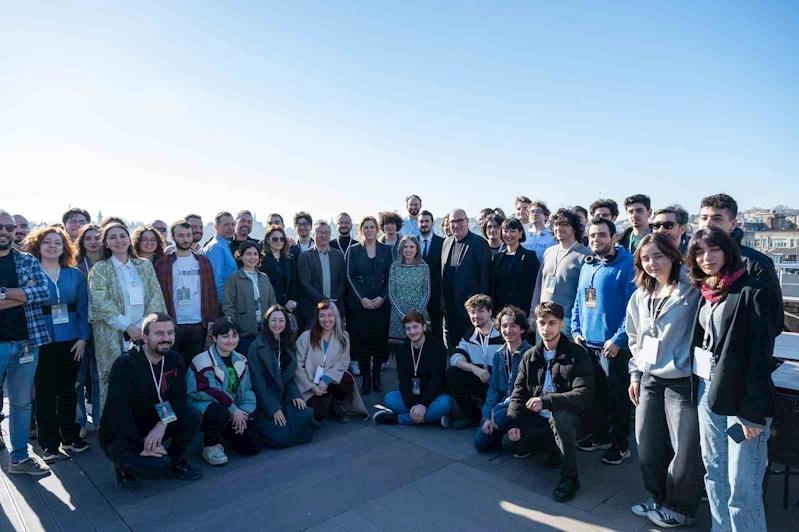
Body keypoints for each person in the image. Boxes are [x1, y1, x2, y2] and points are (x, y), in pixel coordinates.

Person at [686, 228, 775, 532]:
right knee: (714, 472)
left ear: (728, 251)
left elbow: (761, 357)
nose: (706, 257)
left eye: (714, 249)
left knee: (742, 485)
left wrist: (752, 412)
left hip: (741, 396)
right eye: (699, 252)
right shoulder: (706, 292)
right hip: (707, 389)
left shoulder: (753, 291)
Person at [626, 233, 703, 528]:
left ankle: (681, 508)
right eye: (646, 258)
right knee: (647, 443)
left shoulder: (692, 290)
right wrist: (635, 374)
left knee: (684, 450)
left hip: (681, 380)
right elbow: (635, 337)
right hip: (649, 378)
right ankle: (658, 498)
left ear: (672, 255)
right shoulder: (641, 295)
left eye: (658, 256)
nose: (652, 263)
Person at [99, 313, 202, 491]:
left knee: (193, 414)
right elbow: (118, 413)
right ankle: (122, 466)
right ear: (145, 337)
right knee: (157, 468)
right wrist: (140, 447)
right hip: (122, 433)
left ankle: (175, 460)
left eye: (170, 333)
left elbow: (179, 398)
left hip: (155, 421)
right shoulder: (125, 364)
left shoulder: (174, 359)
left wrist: (162, 424)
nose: (166, 338)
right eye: (159, 333)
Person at [504, 302, 595, 503]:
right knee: (510, 442)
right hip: (538, 418)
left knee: (560, 416)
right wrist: (513, 423)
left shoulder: (577, 354)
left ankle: (570, 477)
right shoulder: (530, 356)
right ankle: (552, 448)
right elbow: (518, 393)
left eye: (552, 323)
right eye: (542, 323)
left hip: (571, 418)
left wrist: (547, 401)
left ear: (562, 324)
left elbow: (584, 394)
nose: (546, 328)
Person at [572, 218, 636, 465]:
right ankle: (600, 436)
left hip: (614, 347)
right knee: (596, 395)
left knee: (617, 398)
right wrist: (576, 330)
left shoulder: (627, 265)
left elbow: (632, 308)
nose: (596, 240)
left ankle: (621, 445)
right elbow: (579, 300)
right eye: (592, 236)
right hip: (588, 344)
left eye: (601, 235)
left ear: (614, 237)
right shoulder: (588, 264)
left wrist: (618, 339)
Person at [25, 226, 91, 462]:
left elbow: (83, 308)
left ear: (65, 248)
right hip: (41, 340)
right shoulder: (30, 275)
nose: (52, 246)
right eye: (47, 242)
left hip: (71, 340)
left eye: (57, 242)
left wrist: (82, 338)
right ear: (38, 246)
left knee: (68, 390)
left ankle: (71, 437)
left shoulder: (75, 275)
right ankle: (49, 444)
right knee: (44, 392)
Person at [88, 222, 166, 418]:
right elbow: (100, 302)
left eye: (122, 236)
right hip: (112, 335)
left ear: (129, 239)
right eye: (112, 237)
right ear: (106, 243)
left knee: (145, 381)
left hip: (144, 335)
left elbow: (155, 298)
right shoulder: (100, 269)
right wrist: (127, 327)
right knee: (116, 383)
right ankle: (116, 428)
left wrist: (142, 328)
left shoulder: (144, 266)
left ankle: (145, 427)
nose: (119, 241)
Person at [0, 211, 51, 475]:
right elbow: (31, 293)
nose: (5, 232)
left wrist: (3, 293)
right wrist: (22, 295)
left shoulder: (27, 260)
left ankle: (19, 458)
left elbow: (42, 292)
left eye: (9, 228)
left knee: (21, 404)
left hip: (25, 343)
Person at [697, 193, 783, 339]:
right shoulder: (697, 259)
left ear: (733, 224)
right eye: (704, 218)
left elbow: (773, 321)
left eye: (717, 218)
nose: (708, 224)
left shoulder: (755, 263)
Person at [187, 317, 259, 466]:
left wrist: (243, 413)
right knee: (218, 411)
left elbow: (247, 391)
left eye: (234, 335)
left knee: (252, 446)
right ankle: (210, 445)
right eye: (225, 336)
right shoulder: (202, 361)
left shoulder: (241, 360)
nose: (230, 340)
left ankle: (223, 430)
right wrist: (234, 410)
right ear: (214, 338)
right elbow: (210, 391)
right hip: (203, 409)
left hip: (233, 411)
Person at [248, 305, 318, 448]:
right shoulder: (256, 347)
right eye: (273, 320)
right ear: (267, 322)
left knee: (305, 426)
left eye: (281, 320)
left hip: (284, 395)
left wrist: (295, 395)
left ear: (286, 323)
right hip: (266, 400)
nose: (277, 324)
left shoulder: (286, 343)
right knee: (282, 439)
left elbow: (289, 376)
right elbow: (258, 384)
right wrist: (273, 408)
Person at [154, 220, 219, 367]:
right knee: (171, 366)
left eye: (189, 235)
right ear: (172, 236)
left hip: (198, 323)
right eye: (181, 235)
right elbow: (158, 295)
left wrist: (212, 318)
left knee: (194, 366)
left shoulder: (203, 262)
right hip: (172, 324)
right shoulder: (162, 264)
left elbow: (211, 291)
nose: (186, 239)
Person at [373, 312, 453, 426]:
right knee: (389, 398)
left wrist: (423, 405)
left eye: (415, 327)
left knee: (446, 403)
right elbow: (403, 382)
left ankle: (397, 418)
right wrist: (413, 405)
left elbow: (437, 381)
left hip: (434, 396)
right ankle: (433, 417)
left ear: (424, 327)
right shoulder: (402, 349)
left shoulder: (438, 348)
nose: (412, 332)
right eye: (408, 328)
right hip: (413, 396)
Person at [473, 306, 532, 452]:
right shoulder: (499, 355)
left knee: (502, 425)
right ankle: (502, 428)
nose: (508, 330)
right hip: (502, 408)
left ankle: (513, 432)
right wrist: (487, 417)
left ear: (522, 329)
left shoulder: (531, 355)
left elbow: (529, 393)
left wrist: (498, 411)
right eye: (504, 326)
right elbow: (493, 389)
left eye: (513, 326)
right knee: (480, 443)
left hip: (521, 408)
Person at [295, 302, 367, 423]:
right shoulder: (306, 337)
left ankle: (335, 404)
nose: (326, 319)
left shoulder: (343, 336)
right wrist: (311, 387)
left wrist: (326, 378)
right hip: (309, 384)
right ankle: (324, 404)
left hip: (329, 381)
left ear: (336, 317)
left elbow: (343, 361)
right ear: (317, 318)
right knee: (318, 415)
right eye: (322, 316)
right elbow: (297, 366)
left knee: (346, 378)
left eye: (330, 315)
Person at [347, 216, 393, 394]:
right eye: (366, 227)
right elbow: (349, 275)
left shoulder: (386, 250)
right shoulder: (354, 250)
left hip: (381, 304)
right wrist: (362, 298)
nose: (369, 230)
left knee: (380, 341)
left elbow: (391, 276)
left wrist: (382, 297)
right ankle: (366, 378)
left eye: (372, 227)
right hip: (361, 305)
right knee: (363, 342)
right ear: (361, 230)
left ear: (377, 229)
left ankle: (377, 376)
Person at [445, 294, 503, 430]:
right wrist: (474, 369)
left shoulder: (502, 333)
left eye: (480, 311)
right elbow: (455, 358)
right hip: (481, 381)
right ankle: (473, 417)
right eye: (472, 312)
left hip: (500, 385)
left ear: (490, 312)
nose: (476, 316)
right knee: (452, 373)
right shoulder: (470, 335)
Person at [530, 209, 591, 336]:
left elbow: (589, 294)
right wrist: (532, 314)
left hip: (567, 322)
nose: (559, 228)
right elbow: (539, 285)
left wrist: (580, 325)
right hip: (543, 319)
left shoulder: (585, 255)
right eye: (556, 224)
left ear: (574, 228)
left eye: (565, 224)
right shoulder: (549, 252)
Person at [441, 208, 492, 353]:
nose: (456, 225)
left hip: (471, 311)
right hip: (450, 310)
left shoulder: (480, 244)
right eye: (453, 221)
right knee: (453, 350)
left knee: (472, 351)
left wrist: (481, 309)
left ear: (467, 221)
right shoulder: (447, 243)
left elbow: (485, 278)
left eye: (460, 221)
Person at [223, 241, 276, 358]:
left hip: (264, 332)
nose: (252, 257)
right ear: (240, 256)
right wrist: (234, 328)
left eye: (255, 254)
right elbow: (228, 305)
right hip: (244, 333)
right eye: (248, 254)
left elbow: (272, 302)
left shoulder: (264, 278)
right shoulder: (234, 279)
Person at [75, 224, 102, 434]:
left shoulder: (110, 263)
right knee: (78, 379)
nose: (93, 242)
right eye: (88, 238)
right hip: (79, 329)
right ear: (82, 242)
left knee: (100, 377)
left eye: (97, 237)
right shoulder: (74, 265)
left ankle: (101, 419)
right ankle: (79, 422)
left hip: (103, 328)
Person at [297, 221, 346, 331]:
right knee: (313, 340)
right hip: (312, 310)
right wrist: (323, 300)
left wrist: (334, 300)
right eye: (320, 232)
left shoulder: (338, 255)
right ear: (313, 235)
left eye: (326, 232)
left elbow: (342, 280)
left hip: (335, 309)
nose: (324, 235)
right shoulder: (305, 256)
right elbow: (305, 283)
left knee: (336, 339)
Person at [491, 218, 539, 316]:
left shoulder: (529, 256)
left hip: (521, 311)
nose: (508, 235)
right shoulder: (497, 257)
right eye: (505, 231)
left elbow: (534, 287)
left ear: (520, 233)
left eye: (512, 231)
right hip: (500, 311)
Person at [388, 235, 430, 344]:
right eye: (405, 247)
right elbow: (392, 293)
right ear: (401, 249)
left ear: (417, 249)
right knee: (400, 348)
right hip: (398, 315)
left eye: (411, 247)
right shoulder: (394, 267)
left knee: (418, 345)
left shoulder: (424, 267)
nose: (408, 250)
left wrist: (416, 315)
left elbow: (426, 292)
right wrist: (402, 315)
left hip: (418, 313)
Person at [260, 225, 299, 322]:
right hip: (270, 307)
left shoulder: (289, 259)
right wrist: (284, 302)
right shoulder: (262, 261)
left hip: (290, 307)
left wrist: (291, 303)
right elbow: (267, 286)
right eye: (275, 239)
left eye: (282, 239)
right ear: (268, 240)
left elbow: (294, 282)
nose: (279, 242)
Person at [418, 210, 444, 340]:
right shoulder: (412, 243)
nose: (424, 224)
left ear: (432, 223)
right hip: (417, 294)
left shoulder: (443, 243)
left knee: (437, 328)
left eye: (427, 221)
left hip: (436, 294)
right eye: (421, 221)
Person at [204, 212, 237, 304]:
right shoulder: (216, 247)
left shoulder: (224, 245)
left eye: (232, 224)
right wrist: (225, 305)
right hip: (223, 304)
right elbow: (216, 281)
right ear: (216, 227)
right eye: (226, 225)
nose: (230, 228)